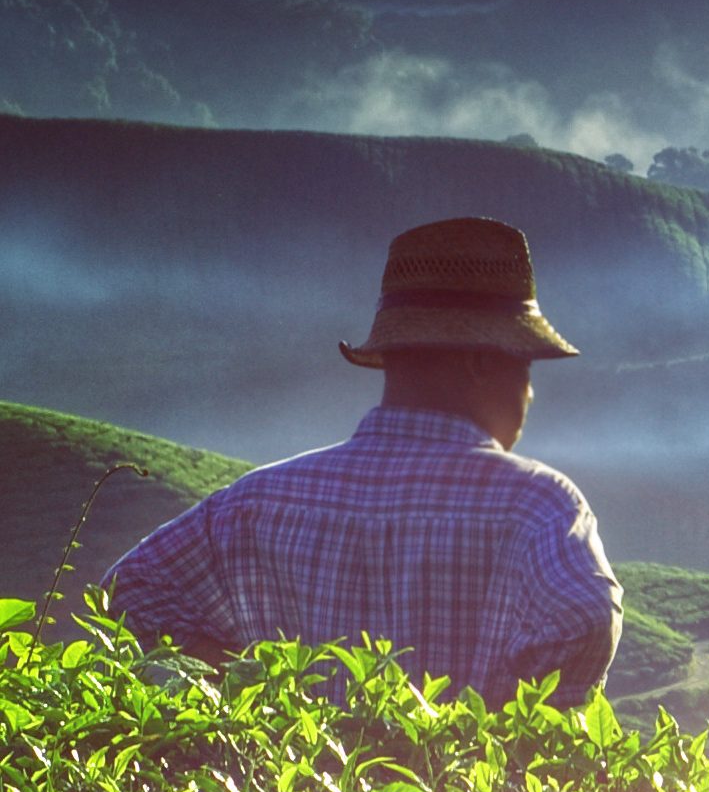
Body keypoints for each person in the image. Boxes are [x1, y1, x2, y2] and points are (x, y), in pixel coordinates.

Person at [105, 216, 622, 705]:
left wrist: (256, 694)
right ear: (481, 363)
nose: (530, 395)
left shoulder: (255, 503)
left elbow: (129, 592)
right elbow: (586, 617)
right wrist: (499, 729)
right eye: (524, 369)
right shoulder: (537, 508)